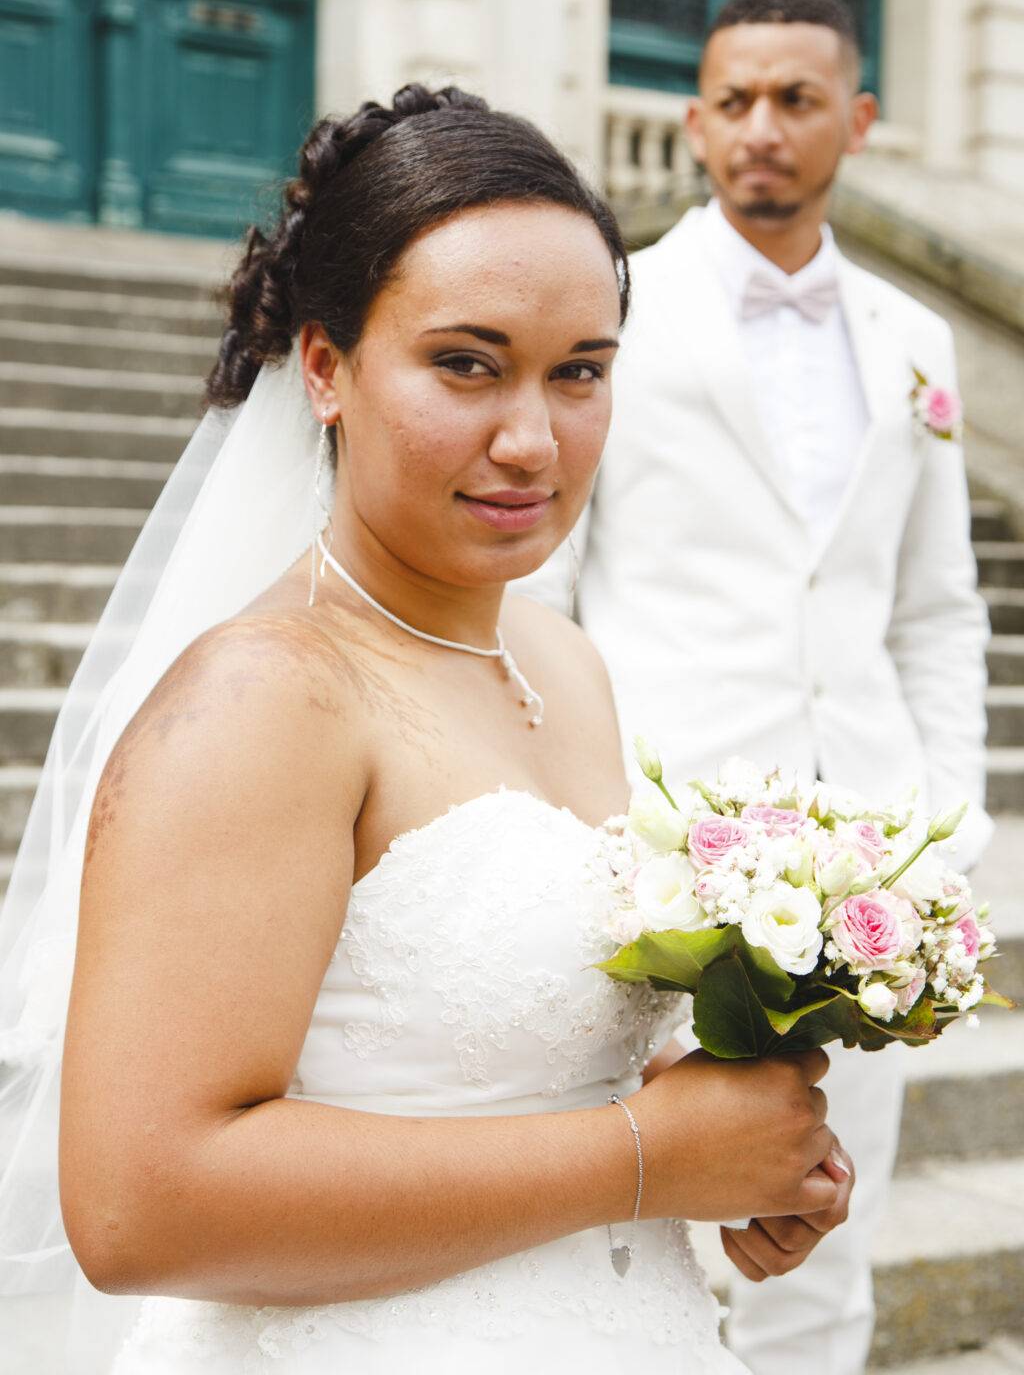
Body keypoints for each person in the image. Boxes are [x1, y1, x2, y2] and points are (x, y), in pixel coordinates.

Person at [0, 86, 853, 1375]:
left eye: (581, 373)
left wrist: (732, 1126)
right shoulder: (264, 699)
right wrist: (642, 1159)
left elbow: (510, 1041)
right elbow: (136, 1205)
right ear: (328, 369)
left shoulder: (564, 665)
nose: (530, 439)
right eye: (467, 363)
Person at [521, 0, 993, 1375]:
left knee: (825, 1231)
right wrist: (582, 819)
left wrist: (947, 827)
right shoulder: (611, 306)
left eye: (796, 100)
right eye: (735, 101)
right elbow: (545, 586)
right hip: (660, 855)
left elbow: (937, 614)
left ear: (857, 118)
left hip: (872, 874)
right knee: (637, 1234)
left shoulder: (918, 341)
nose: (763, 130)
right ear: (694, 123)